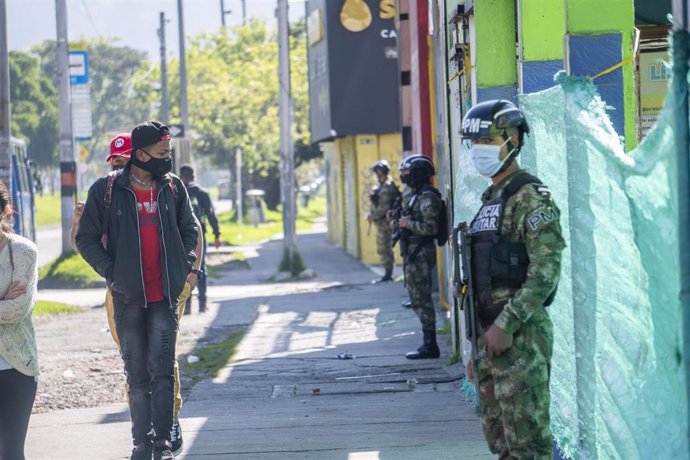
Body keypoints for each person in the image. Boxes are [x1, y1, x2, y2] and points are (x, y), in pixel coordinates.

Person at [71, 132, 201, 456]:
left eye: (121, 159)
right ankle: (141, 442)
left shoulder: (172, 188)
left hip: (165, 296)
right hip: (126, 296)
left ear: (135, 155)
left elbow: (190, 229)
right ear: (142, 156)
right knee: (137, 372)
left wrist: (185, 268)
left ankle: (164, 439)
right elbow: (84, 239)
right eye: (113, 161)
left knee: (163, 368)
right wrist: (112, 271)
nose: (117, 166)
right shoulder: (106, 191)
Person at [460, 99, 565, 459]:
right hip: (491, 341)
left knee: (528, 445)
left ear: (513, 140)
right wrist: (479, 347)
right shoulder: (491, 201)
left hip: (521, 337)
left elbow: (545, 272)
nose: (479, 151)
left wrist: (506, 324)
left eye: (487, 142)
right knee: (501, 444)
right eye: (475, 144)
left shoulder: (530, 199)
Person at [0, 179, 39, 460]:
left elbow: (18, 310)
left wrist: (8, 304)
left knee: (11, 452)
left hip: (16, 365)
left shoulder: (23, 251)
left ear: (5, 212)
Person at [395, 154, 443, 360]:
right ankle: (428, 343)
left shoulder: (427, 196)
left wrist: (408, 225)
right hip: (413, 253)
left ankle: (430, 346)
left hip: (421, 253)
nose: (406, 177)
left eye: (409, 173)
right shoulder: (416, 195)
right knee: (417, 298)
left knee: (422, 299)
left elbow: (430, 227)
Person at [179, 164, 221, 314]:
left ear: (181, 175)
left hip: (181, 238)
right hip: (199, 236)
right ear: (193, 176)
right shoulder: (202, 192)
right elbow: (210, 214)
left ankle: (187, 305)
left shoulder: (176, 191)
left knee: (184, 269)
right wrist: (217, 234)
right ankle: (202, 304)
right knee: (200, 268)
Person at [366, 160, 400, 283]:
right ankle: (387, 272)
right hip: (382, 222)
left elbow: (384, 208)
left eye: (377, 172)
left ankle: (388, 273)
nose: (376, 174)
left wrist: (372, 216)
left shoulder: (386, 186)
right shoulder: (381, 186)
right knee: (383, 248)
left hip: (386, 222)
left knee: (385, 247)